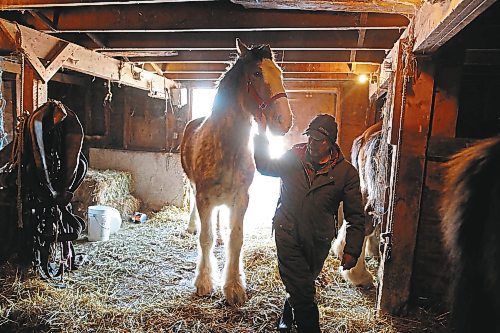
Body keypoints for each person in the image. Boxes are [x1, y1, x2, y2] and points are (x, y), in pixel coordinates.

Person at [253, 113, 365, 333]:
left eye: (319, 140)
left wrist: (352, 249)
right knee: (303, 290)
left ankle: (287, 316)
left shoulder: (346, 173)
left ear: (331, 143)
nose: (312, 144)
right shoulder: (294, 157)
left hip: (319, 238)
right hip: (287, 231)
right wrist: (260, 134)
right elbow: (265, 166)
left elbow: (355, 216)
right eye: (310, 138)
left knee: (302, 283)